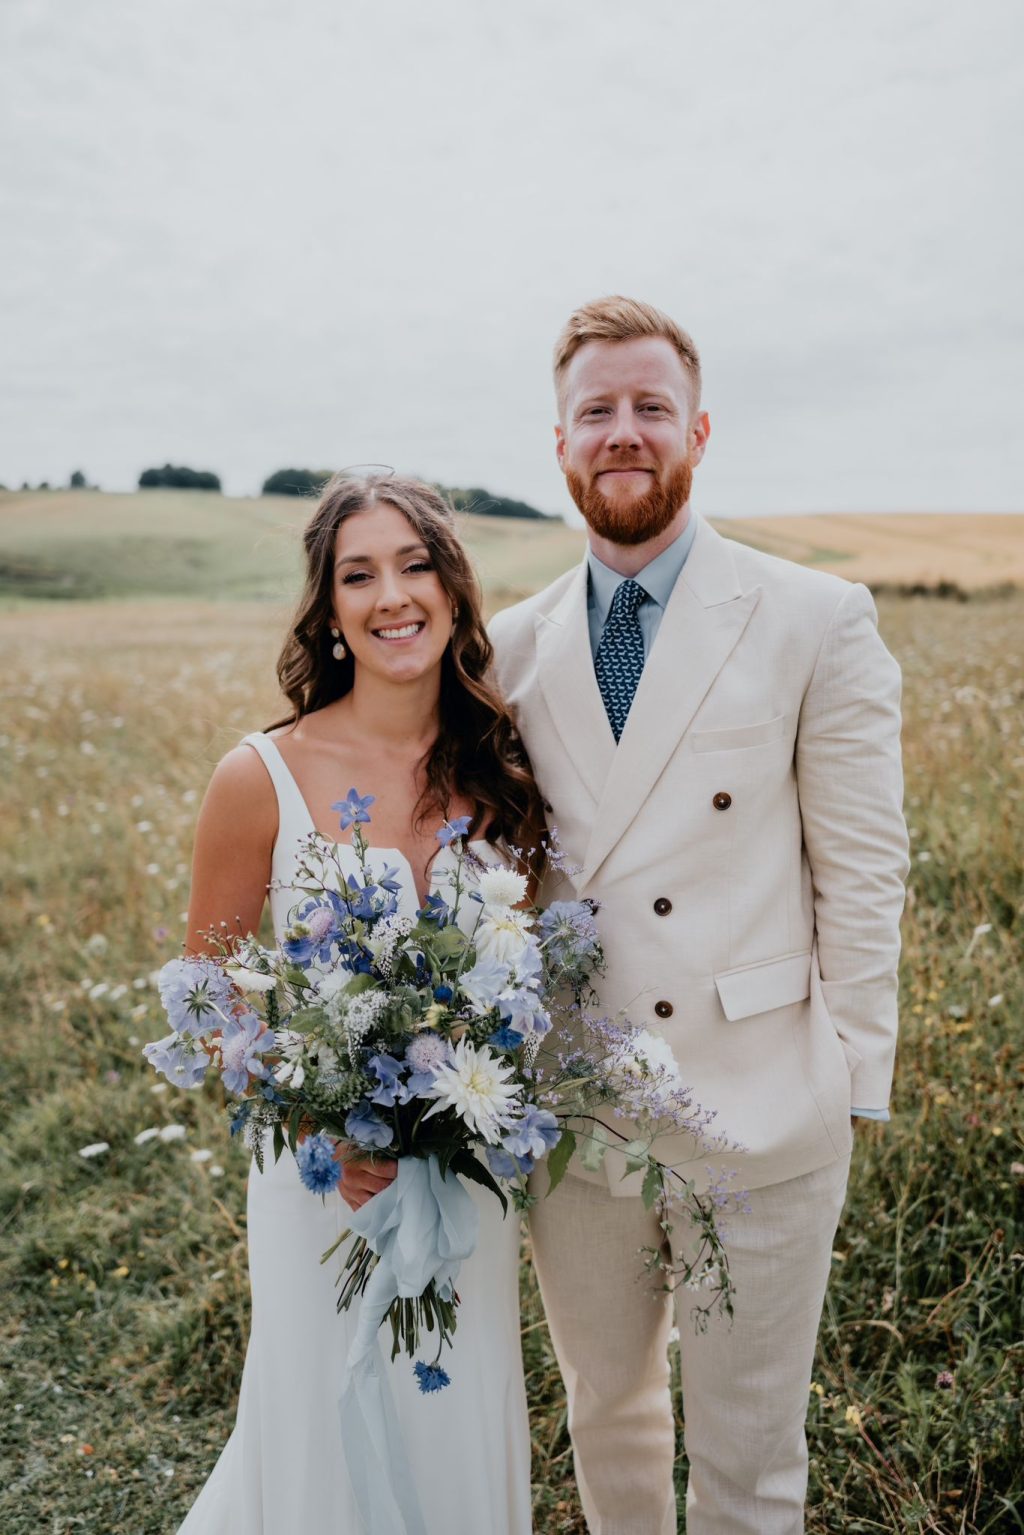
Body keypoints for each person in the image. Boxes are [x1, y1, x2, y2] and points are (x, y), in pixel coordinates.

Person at [488, 296, 910, 1535]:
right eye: (596, 411)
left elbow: (862, 863)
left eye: (650, 406)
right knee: (607, 1416)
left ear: (699, 430)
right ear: (560, 444)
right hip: (578, 1114)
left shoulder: (813, 616)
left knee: (752, 1455)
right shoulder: (506, 648)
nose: (623, 430)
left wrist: (849, 1075)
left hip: (761, 1098)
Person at [176, 472, 540, 1534]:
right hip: (322, 1180)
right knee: (319, 1420)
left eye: (416, 565)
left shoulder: (503, 769)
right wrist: (317, 1122)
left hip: (469, 1177)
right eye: (359, 574)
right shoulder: (261, 774)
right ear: (329, 610)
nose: (392, 595)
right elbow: (206, 996)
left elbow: (525, 974)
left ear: (454, 589)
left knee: (456, 1413)